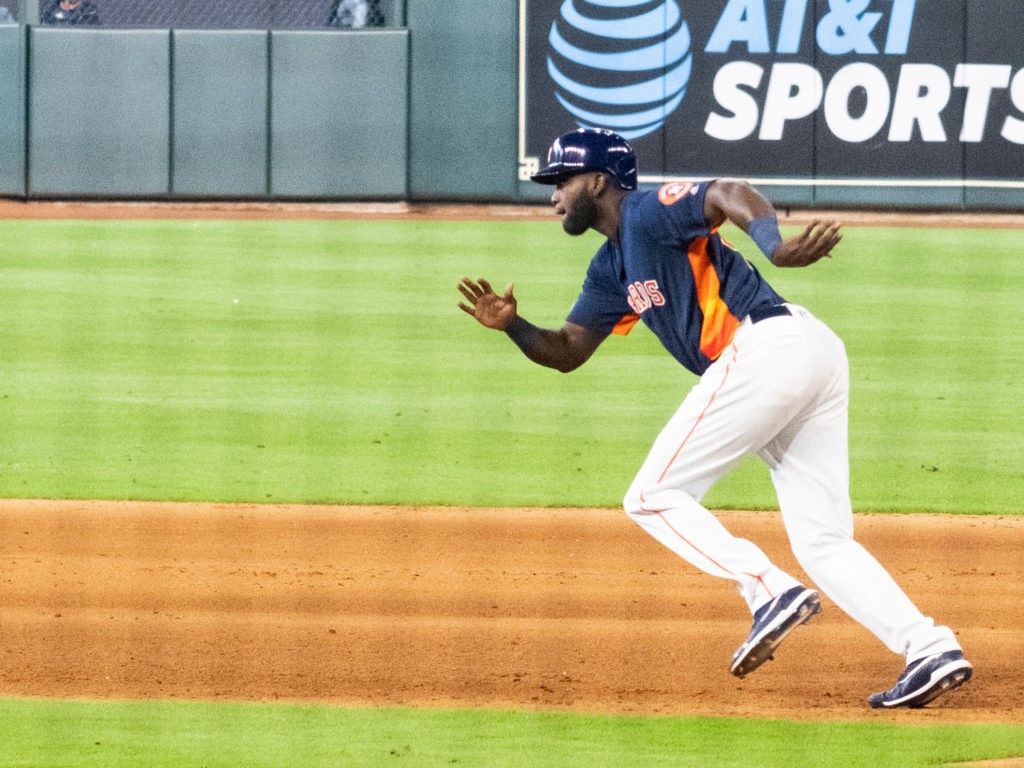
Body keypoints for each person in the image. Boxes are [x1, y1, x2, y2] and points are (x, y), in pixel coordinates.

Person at [457, 127, 973, 710]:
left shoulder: (648, 212)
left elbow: (726, 191)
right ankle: (930, 648)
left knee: (651, 495)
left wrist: (773, 245)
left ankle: (766, 589)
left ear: (598, 181)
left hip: (767, 350)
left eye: (561, 180)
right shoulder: (610, 267)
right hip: (803, 354)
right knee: (823, 539)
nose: (552, 195)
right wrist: (514, 328)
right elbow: (569, 351)